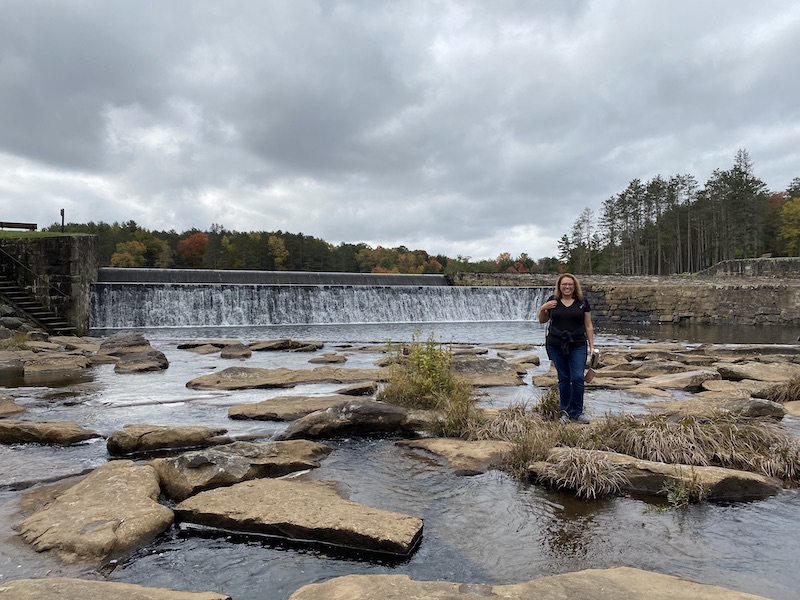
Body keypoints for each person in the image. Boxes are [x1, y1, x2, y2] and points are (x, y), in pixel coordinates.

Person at [537, 273, 594, 424]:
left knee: (577, 377)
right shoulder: (553, 301)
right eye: (564, 284)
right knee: (564, 378)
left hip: (578, 344)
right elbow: (542, 320)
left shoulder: (582, 302)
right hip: (556, 344)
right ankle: (565, 412)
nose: (567, 287)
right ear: (559, 286)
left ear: (574, 286)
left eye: (570, 284)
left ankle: (577, 412)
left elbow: (588, 325)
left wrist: (592, 347)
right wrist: (543, 308)